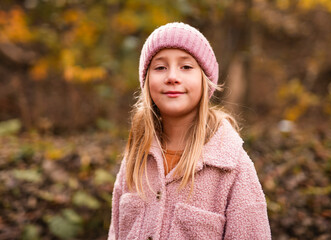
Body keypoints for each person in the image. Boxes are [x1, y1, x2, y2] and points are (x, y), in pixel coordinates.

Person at [108, 22, 271, 240]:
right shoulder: (135, 160)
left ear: (205, 81)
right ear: (146, 82)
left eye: (186, 67)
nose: (172, 77)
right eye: (160, 67)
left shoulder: (233, 168)